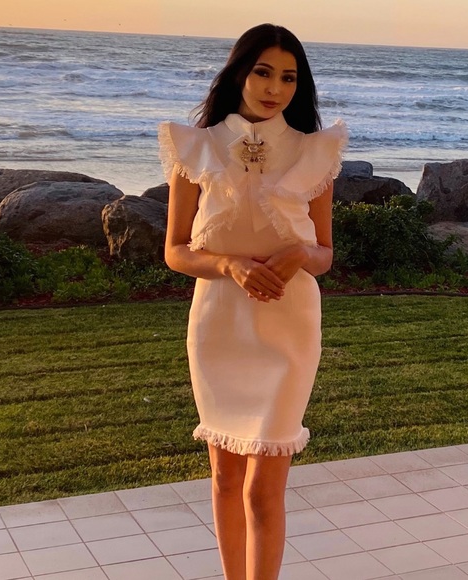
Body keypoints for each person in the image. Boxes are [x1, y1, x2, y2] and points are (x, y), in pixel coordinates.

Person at [158, 23, 347, 580]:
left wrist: (300, 254)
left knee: (264, 487)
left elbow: (325, 253)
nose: (275, 88)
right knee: (224, 477)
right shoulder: (195, 147)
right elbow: (175, 251)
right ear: (239, 72)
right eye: (264, 72)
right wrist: (229, 265)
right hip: (219, 322)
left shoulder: (316, 151)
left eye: (289, 78)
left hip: (288, 323)